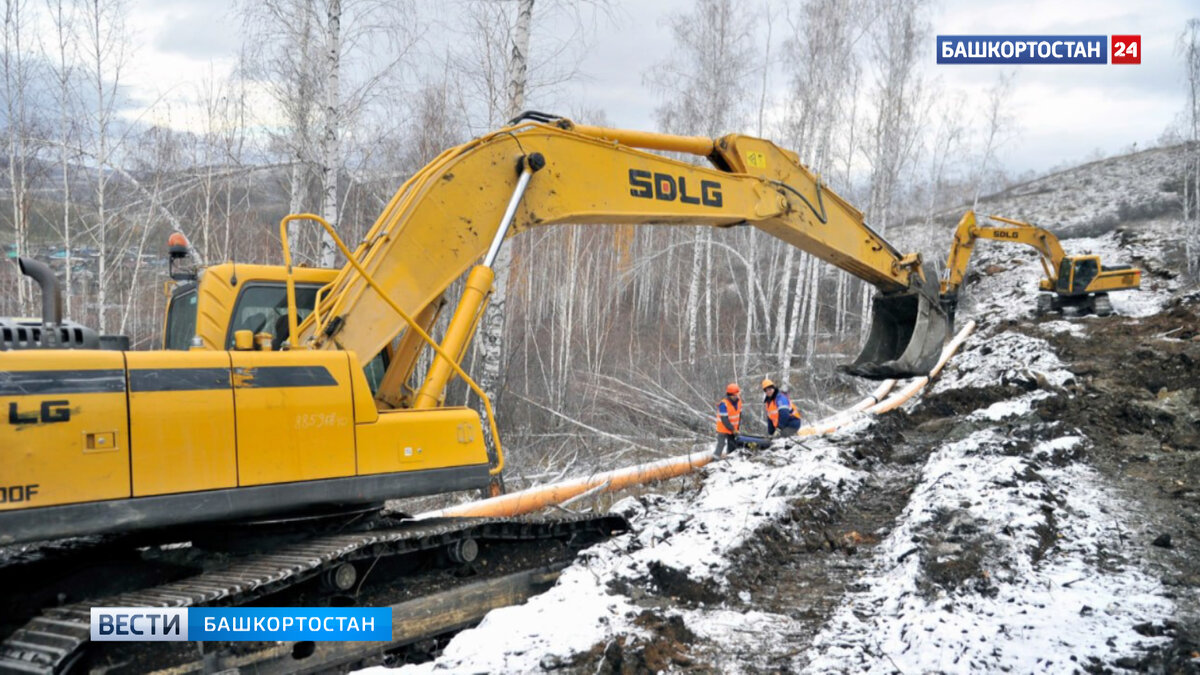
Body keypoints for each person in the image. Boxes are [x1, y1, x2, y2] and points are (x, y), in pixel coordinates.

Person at [713, 383, 741, 460]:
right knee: (721, 444)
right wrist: (733, 429)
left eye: (737, 394)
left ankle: (730, 458)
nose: (736, 396)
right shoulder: (723, 405)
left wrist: (736, 428)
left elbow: (739, 415)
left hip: (733, 429)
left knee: (732, 445)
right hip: (723, 429)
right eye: (734, 395)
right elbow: (724, 420)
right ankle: (715, 460)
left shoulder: (739, 402)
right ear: (729, 395)